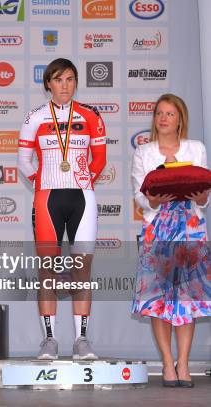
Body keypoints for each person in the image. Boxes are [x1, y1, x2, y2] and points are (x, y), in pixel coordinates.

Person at [17, 58, 106, 360]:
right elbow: (24, 161)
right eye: (58, 80)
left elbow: (100, 158)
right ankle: (49, 340)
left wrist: (83, 180)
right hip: (47, 198)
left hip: (83, 197)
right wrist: (41, 183)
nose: (64, 85)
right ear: (48, 84)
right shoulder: (34, 118)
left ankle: (82, 340)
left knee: (82, 268)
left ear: (75, 82)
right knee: (48, 271)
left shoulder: (91, 115)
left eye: (69, 79)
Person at [131, 93, 210, 388]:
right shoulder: (143, 152)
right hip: (158, 230)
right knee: (158, 300)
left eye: (170, 114)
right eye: (159, 113)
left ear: (180, 119)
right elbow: (139, 194)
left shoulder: (196, 148)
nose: (163, 119)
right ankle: (167, 363)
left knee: (188, 299)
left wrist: (202, 197)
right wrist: (151, 200)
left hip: (190, 228)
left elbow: (203, 191)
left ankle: (185, 364)